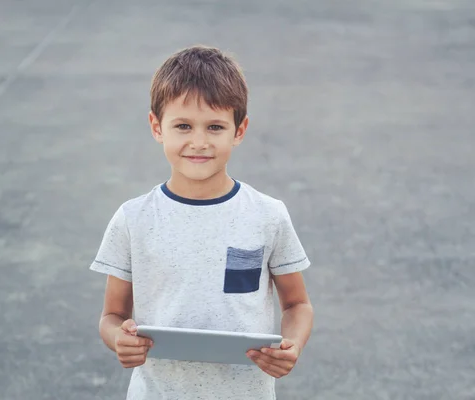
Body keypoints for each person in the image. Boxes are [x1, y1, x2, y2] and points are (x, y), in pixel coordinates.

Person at [90, 44, 313, 400]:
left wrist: (292, 345)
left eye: (214, 126)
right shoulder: (133, 219)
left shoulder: (267, 215)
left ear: (239, 131)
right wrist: (119, 338)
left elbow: (297, 304)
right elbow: (112, 315)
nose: (198, 142)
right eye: (182, 125)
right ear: (156, 126)